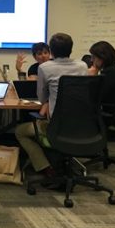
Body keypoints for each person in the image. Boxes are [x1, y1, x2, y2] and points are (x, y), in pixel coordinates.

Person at [14, 33, 87, 177]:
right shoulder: (82, 66)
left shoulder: (45, 68)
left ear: (51, 51)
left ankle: (45, 167)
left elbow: (41, 98)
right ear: (71, 49)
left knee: (20, 131)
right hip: (81, 125)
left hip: (55, 125)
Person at [87, 40, 115, 114]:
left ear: (102, 57)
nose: (92, 60)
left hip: (107, 117)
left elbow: (94, 98)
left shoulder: (110, 74)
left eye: (93, 57)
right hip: (114, 115)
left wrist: (92, 78)